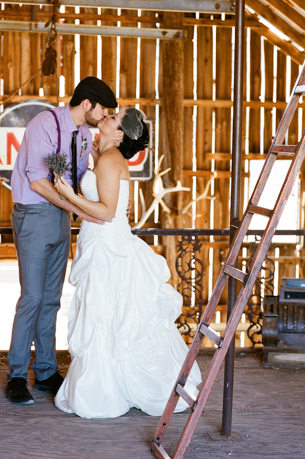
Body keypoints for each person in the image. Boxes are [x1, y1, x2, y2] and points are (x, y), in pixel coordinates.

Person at [53, 108, 202, 418]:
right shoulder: (107, 158)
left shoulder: (110, 161)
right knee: (109, 317)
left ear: (119, 134)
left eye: (112, 119)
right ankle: (114, 385)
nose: (105, 117)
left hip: (109, 247)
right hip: (105, 242)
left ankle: (110, 390)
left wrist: (68, 194)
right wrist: (94, 160)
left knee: (108, 315)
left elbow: (106, 212)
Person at [6, 77, 118, 406]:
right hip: (36, 214)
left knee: (52, 299)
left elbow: (79, 181)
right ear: (88, 105)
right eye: (104, 110)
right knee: (33, 297)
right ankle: (15, 375)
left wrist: (112, 194)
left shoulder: (83, 135)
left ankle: (44, 371)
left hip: (60, 219)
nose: (105, 115)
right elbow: (38, 181)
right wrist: (75, 209)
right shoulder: (45, 123)